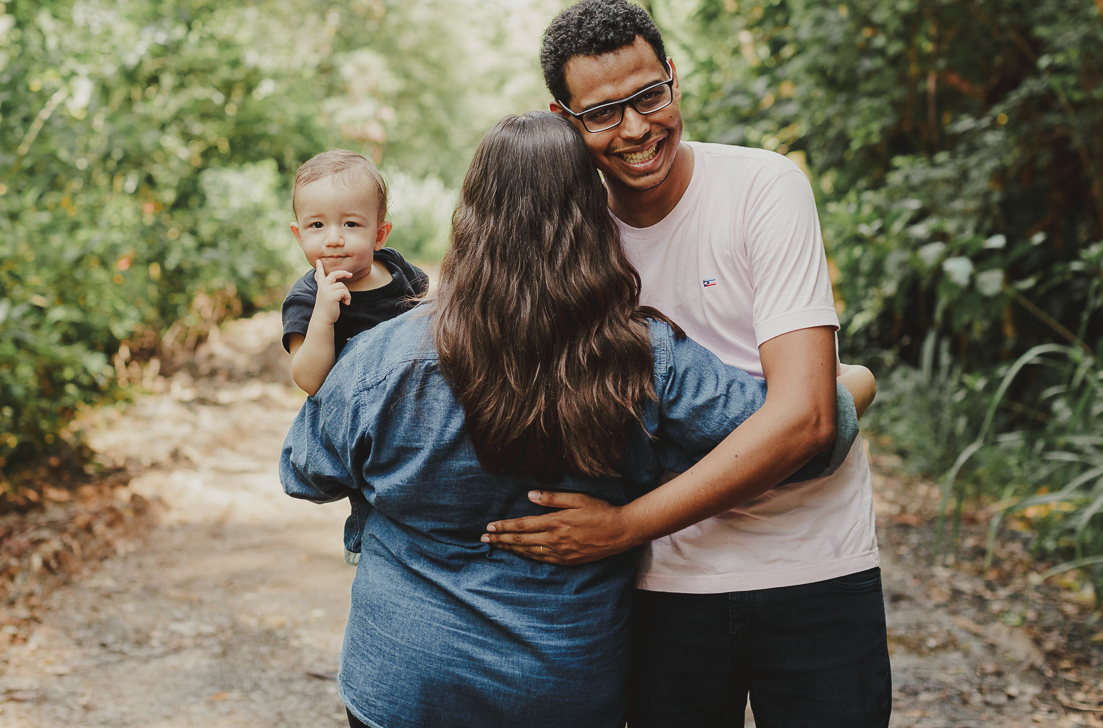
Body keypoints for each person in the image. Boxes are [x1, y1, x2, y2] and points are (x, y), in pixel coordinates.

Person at [280, 112, 872, 728]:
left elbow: (306, 473)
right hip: (561, 683)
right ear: (592, 212)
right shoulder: (645, 357)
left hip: (407, 677)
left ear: (472, 214)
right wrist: (854, 384)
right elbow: (799, 440)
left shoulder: (383, 358)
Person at [483, 0, 892, 727]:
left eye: (649, 95)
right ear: (564, 118)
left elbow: (804, 420)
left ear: (673, 77)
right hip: (658, 590)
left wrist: (623, 524)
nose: (637, 128)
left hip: (813, 565)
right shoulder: (571, 238)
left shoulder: (763, 187)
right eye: (604, 112)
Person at [282, 148, 428, 563]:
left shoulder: (398, 272)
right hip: (351, 419)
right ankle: (365, 540)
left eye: (350, 223)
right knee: (372, 486)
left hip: (406, 398)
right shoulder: (307, 298)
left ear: (380, 234)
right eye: (317, 225)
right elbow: (309, 379)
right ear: (298, 235)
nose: (333, 237)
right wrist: (324, 317)